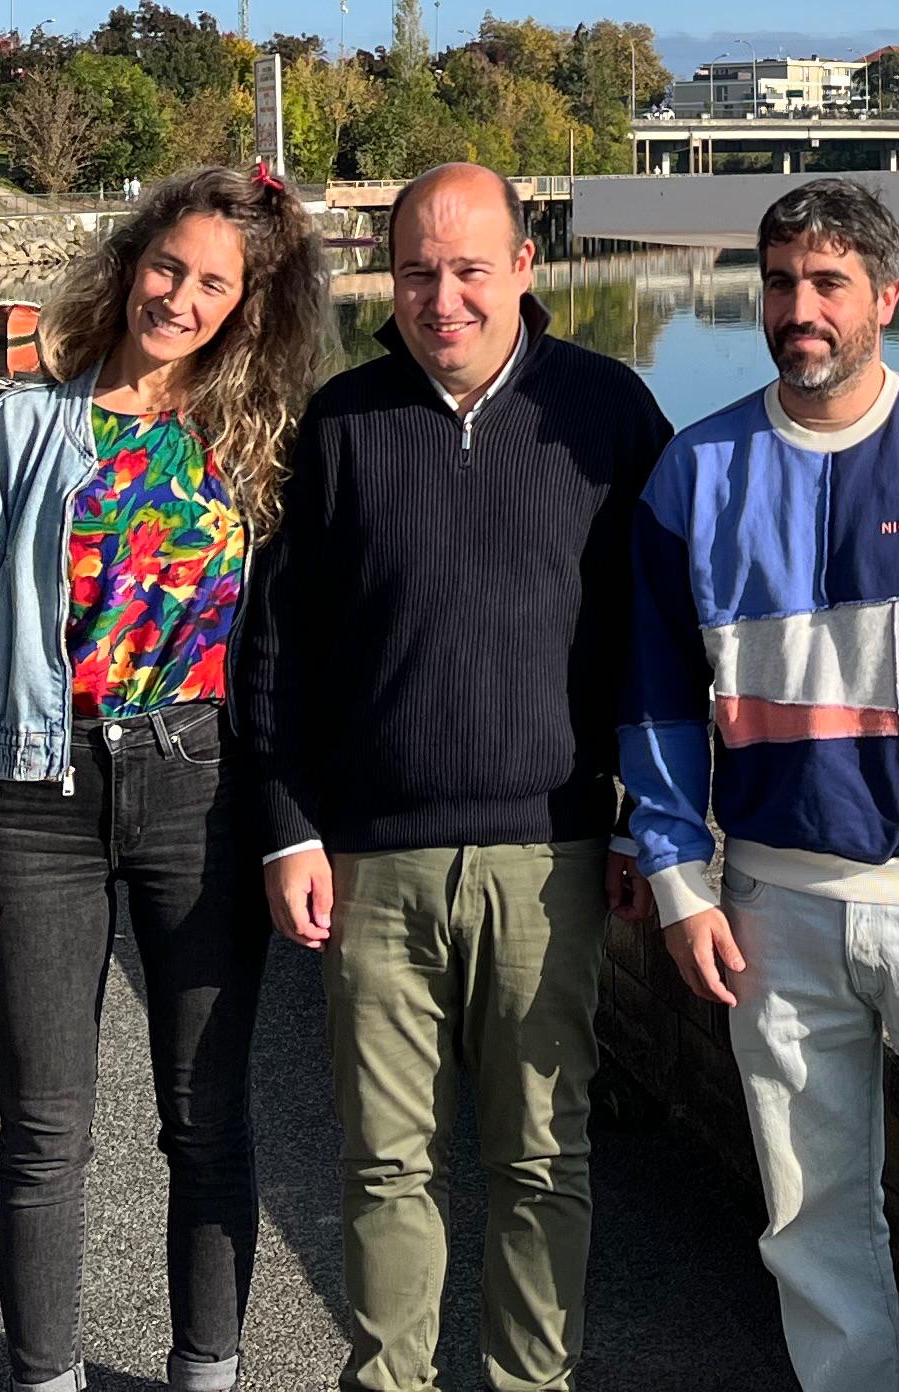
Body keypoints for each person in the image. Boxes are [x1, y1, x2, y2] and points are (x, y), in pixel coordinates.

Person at [623, 178, 899, 1392]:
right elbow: (658, 707)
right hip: (775, 911)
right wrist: (679, 880)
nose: (799, 309)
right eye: (779, 283)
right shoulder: (694, 473)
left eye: (827, 283)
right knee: (811, 1232)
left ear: (887, 294)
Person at [235, 162, 673, 1392]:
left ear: (525, 267)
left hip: (554, 855)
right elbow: (276, 650)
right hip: (374, 859)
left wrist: (656, 828)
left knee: (543, 1160)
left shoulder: (611, 414)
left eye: (471, 269)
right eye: (420, 271)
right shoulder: (341, 423)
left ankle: (534, 1385)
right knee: (386, 1164)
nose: (444, 299)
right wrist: (286, 827)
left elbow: (664, 643)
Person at [0, 163, 330, 1392]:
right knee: (43, 1134)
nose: (178, 299)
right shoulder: (30, 428)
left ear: (248, 307)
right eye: (166, 267)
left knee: (206, 1121)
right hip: (39, 797)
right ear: (129, 259)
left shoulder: (256, 445)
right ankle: (45, 1379)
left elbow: (301, 644)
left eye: (212, 285)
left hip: (202, 792)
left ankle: (209, 1372)